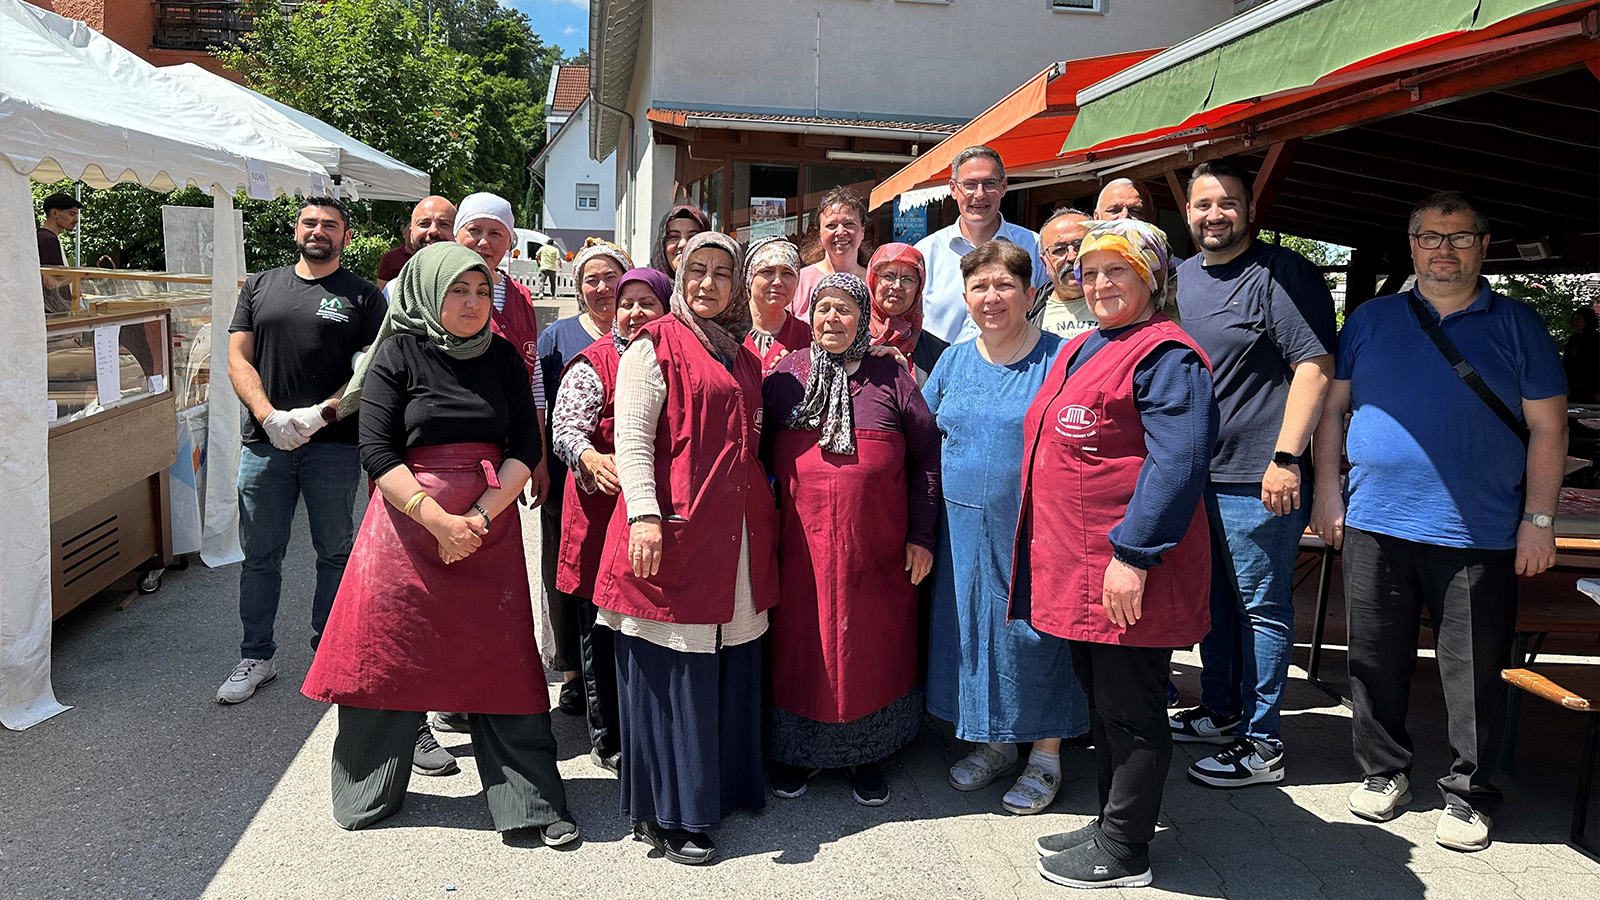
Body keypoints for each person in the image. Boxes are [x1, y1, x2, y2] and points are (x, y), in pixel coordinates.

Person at [1311, 191, 1567, 853]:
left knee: (1473, 672)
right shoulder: (1369, 319)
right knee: (1375, 659)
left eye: (1458, 237)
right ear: (1413, 244)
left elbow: (1548, 427)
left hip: (1479, 529)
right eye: (1430, 237)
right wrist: (1328, 493)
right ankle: (1384, 772)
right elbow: (1332, 411)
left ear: (1483, 245)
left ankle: (1470, 793)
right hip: (1375, 520)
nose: (1443, 249)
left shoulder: (1519, 325)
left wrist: (1539, 517)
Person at [301, 242, 577, 845]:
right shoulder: (396, 353)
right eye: (458, 290)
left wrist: (473, 519)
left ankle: (529, 801)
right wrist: (438, 520)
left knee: (502, 661)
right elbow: (376, 452)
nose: (473, 302)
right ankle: (369, 790)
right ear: (427, 291)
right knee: (388, 657)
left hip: (488, 527)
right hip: (404, 529)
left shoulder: (504, 356)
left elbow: (525, 449)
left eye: (481, 291)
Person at [1019, 218, 1217, 889]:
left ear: (1152, 279)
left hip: (1126, 567)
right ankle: (1111, 820)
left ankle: (1126, 851)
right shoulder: (1097, 345)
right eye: (1093, 270)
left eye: (1119, 271)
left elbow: (1180, 462)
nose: (1100, 283)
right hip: (1082, 568)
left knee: (1132, 711)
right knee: (1104, 704)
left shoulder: (1167, 355)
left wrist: (1132, 556)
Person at [592, 231, 779, 865]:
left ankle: (717, 789)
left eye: (721, 273)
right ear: (679, 273)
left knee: (727, 657)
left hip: (732, 529)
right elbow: (634, 439)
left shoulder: (741, 355)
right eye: (695, 270)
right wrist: (643, 515)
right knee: (674, 662)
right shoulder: (655, 346)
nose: (707, 283)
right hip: (671, 524)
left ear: (736, 285)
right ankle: (671, 810)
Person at [1167, 158, 1336, 788]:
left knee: (1261, 608)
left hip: (1257, 474)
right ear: (1188, 213)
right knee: (1213, 602)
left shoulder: (1280, 275)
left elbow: (1315, 366)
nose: (1216, 215)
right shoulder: (1178, 279)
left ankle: (1263, 744)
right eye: (1204, 204)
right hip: (1192, 473)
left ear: (1250, 211)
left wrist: (1288, 458)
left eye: (1228, 203)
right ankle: (1220, 711)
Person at [761, 273, 941, 806]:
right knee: (800, 647)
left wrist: (922, 534)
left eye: (844, 309)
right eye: (823, 308)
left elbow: (926, 455)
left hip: (879, 549)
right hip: (798, 549)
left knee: (871, 651)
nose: (831, 319)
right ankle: (797, 753)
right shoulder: (786, 375)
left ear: (863, 318)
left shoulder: (891, 376)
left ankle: (867, 755)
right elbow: (753, 448)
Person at [922, 240, 1088, 816]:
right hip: (961, 532)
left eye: (1004, 286)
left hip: (1035, 530)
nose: (991, 298)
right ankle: (994, 741)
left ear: (1030, 291)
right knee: (973, 633)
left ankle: (1045, 755)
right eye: (979, 287)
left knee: (1034, 637)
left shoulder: (1062, 359)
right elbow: (923, 438)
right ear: (965, 296)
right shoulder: (953, 361)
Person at [218, 197, 383, 704]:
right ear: (296, 230)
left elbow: (371, 370)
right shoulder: (260, 285)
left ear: (346, 237)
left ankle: (328, 653)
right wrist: (269, 416)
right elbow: (237, 359)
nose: (319, 231)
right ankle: (256, 656)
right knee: (260, 554)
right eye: (310, 222)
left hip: (331, 445)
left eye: (330, 226)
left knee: (334, 553)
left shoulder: (363, 296)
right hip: (264, 446)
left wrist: (322, 413)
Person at [550, 267, 674, 775]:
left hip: (651, 518)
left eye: (648, 302)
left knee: (644, 627)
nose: (635, 313)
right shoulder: (593, 363)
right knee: (598, 629)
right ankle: (608, 738)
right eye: (628, 304)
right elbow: (565, 427)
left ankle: (650, 724)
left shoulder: (675, 357)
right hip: (600, 518)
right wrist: (587, 456)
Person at [537, 238, 633, 719]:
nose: (603, 287)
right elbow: (547, 406)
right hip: (569, 471)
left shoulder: (644, 331)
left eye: (611, 278)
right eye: (591, 279)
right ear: (579, 288)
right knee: (566, 576)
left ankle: (615, 678)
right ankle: (572, 673)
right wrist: (542, 463)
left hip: (626, 486)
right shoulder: (558, 336)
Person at [915, 146, 1047, 345]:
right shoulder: (925, 253)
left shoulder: (1034, 246)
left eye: (989, 184)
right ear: (953, 189)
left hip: (1015, 369)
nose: (979, 194)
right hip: (939, 370)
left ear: (1003, 187)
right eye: (969, 184)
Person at [866, 242, 947, 387]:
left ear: (919, 288)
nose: (897, 286)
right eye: (888, 276)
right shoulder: (849, 340)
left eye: (907, 279)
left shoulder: (938, 352)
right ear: (872, 281)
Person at [793, 187, 871, 318]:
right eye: (831, 225)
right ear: (820, 233)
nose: (840, 232)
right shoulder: (799, 281)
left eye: (849, 224)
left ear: (862, 231)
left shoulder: (875, 282)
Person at [1026, 208, 1096, 341]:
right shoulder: (1027, 315)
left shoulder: (1123, 303)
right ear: (1045, 262)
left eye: (1080, 246)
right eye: (1059, 250)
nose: (1072, 256)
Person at [744, 236, 811, 374]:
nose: (778, 282)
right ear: (749, 278)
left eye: (787, 273)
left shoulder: (808, 336)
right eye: (767, 271)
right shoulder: (727, 331)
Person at [376, 195, 457, 292]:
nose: (433, 231)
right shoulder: (392, 291)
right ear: (411, 233)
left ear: (457, 232)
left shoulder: (475, 287)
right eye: (424, 224)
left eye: (444, 224)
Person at [37, 191, 81, 314]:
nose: (76, 220)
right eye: (72, 214)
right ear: (54, 213)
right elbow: (50, 282)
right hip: (51, 313)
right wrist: (81, 276)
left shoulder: (46, 237)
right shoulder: (48, 239)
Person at [650, 205, 711, 278]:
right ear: (662, 245)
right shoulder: (646, 287)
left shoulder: (718, 287)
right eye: (674, 237)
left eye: (693, 237)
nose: (683, 244)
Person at [1565, 306, 1599, 403]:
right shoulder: (1573, 340)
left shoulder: (1596, 340)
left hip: (1590, 387)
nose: (1575, 322)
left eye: (1578, 319)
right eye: (1574, 320)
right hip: (1572, 386)